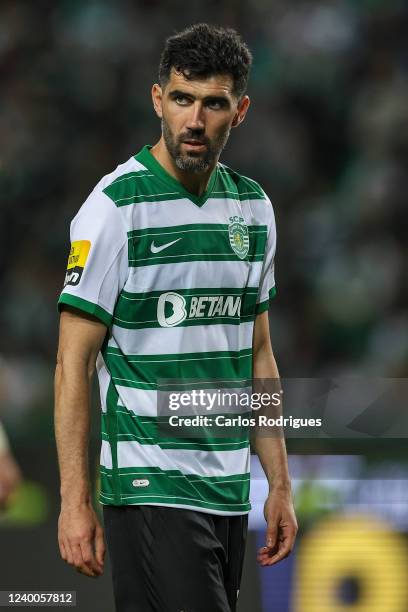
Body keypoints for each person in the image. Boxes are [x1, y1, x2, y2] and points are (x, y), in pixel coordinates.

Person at [54, 23, 298, 612]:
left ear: (238, 111)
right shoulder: (114, 209)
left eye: (213, 103)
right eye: (183, 99)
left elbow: (257, 352)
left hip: (226, 489)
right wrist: (74, 499)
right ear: (158, 98)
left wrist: (279, 483)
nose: (195, 120)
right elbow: (73, 361)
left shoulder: (253, 209)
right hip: (149, 481)